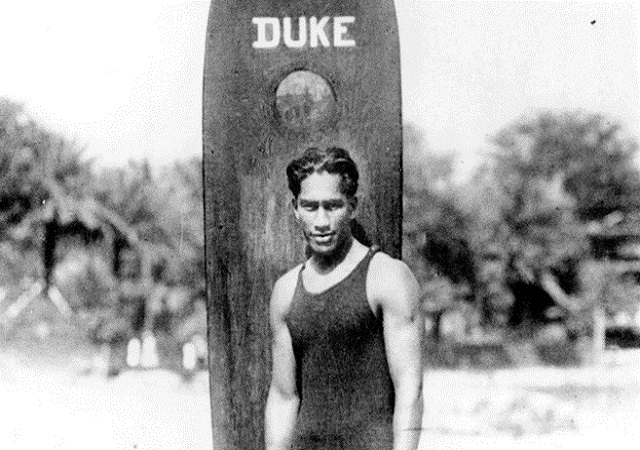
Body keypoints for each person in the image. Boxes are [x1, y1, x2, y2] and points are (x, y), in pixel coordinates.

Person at [265, 147, 424, 450]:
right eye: (310, 207)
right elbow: (284, 397)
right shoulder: (285, 291)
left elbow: (410, 389)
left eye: (333, 206)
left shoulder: (388, 277)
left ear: (352, 206)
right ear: (295, 208)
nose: (322, 221)